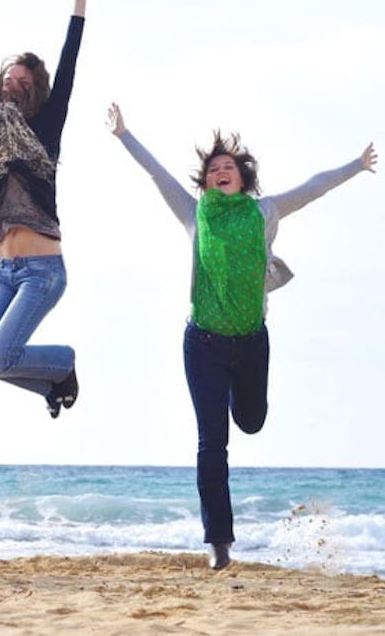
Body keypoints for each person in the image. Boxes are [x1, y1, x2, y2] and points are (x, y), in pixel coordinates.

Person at [106, 102, 378, 570]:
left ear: (243, 177)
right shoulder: (195, 215)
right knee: (213, 443)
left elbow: (313, 189)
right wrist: (124, 134)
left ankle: (236, 398)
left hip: (251, 340)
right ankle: (219, 545)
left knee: (250, 421)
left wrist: (356, 165)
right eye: (214, 169)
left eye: (228, 166)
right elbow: (158, 175)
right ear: (206, 181)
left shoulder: (265, 212)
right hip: (204, 344)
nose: (221, 172)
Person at [0, 0, 88, 419]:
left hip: (42, 272)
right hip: (2, 270)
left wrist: (79, 2)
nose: (13, 85)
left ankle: (63, 362)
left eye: (24, 83)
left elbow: (68, 65)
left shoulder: (47, 126)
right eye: (8, 79)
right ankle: (52, 383)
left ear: (35, 92)